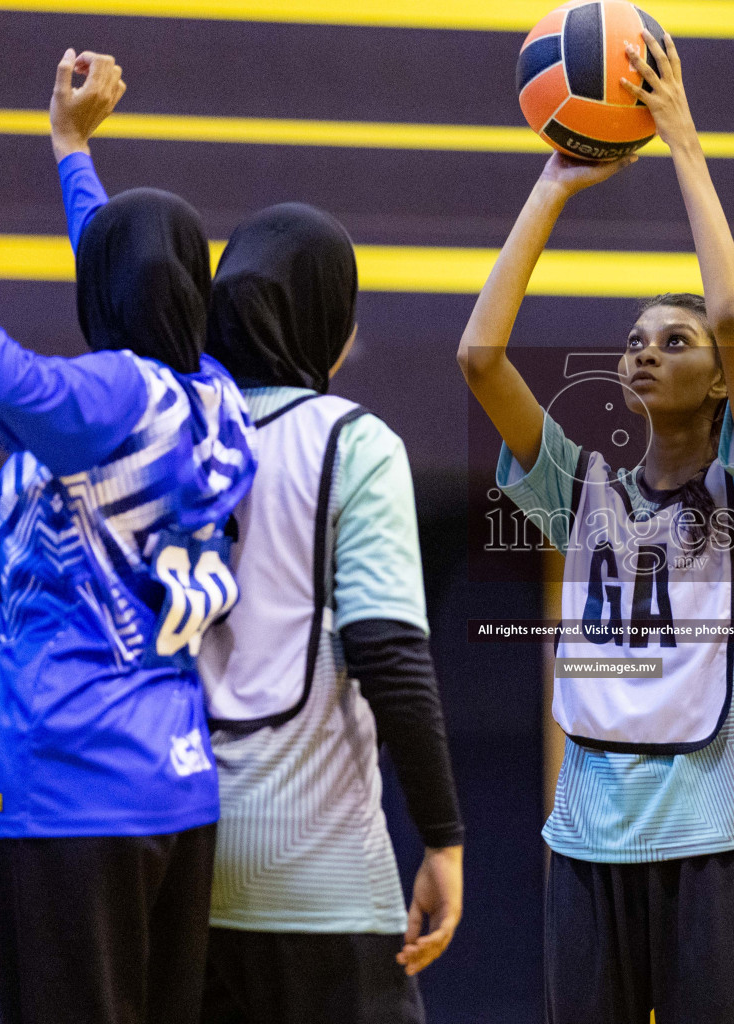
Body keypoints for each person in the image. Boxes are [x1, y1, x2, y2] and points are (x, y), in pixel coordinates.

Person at [0, 49, 255, 1024]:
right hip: (175, 791)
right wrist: (71, 150)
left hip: (70, 788)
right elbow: (131, 275)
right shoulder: (212, 398)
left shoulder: (106, 402)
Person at [458, 28, 734, 1024]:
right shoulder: (582, 488)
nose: (647, 353)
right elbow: (481, 354)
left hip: (719, 847)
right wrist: (554, 186)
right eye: (637, 341)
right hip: (586, 847)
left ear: (718, 375)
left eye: (675, 340)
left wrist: (683, 142)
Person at [192, 201, 465, 1022]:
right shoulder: (354, 441)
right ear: (320, 319)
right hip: (318, 875)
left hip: (178, 863)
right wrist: (443, 838)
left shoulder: (170, 430)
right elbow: (387, 651)